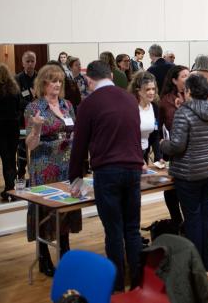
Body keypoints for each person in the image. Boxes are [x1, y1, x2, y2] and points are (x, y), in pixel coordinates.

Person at [69, 60, 144, 291]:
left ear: (89, 80)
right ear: (111, 74)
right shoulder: (130, 98)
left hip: (108, 171)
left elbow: (79, 144)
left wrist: (75, 177)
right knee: (132, 229)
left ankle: (118, 283)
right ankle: (139, 282)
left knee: (113, 231)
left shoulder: (89, 104)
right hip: (133, 169)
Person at [24, 64, 82, 277]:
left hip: (67, 163)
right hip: (45, 163)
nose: (57, 84)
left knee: (65, 208)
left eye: (59, 81)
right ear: (43, 83)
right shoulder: (34, 108)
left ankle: (65, 253)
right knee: (45, 211)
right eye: (52, 81)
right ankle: (43, 257)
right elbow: (30, 145)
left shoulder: (67, 105)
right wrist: (37, 127)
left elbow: (72, 130)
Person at [160, 73, 208, 271]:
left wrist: (163, 144)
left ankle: (195, 265)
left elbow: (177, 146)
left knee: (193, 218)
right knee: (206, 215)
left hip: (189, 173)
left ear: (189, 92)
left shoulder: (183, 113)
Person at [158, 65, 189, 226]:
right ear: (174, 80)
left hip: (189, 150)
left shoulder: (190, 96)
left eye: (188, 75)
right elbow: (172, 124)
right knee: (172, 189)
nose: (187, 78)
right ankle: (178, 221)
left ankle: (186, 222)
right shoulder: (167, 100)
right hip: (173, 149)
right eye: (184, 76)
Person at [0, 64, 21, 200]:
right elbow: (19, 107)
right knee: (11, 157)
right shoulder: (14, 88)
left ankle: (9, 188)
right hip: (13, 125)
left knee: (5, 158)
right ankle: (11, 186)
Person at [127, 71, 158, 165]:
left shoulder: (155, 107)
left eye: (153, 89)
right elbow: (127, 136)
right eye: (147, 89)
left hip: (144, 152)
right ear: (138, 90)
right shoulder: (131, 108)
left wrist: (158, 157)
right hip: (129, 154)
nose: (152, 92)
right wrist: (137, 157)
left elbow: (155, 134)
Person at [16, 51, 37, 180]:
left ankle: (35, 172)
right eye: (27, 61)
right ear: (23, 63)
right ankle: (21, 173)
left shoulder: (40, 77)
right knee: (22, 147)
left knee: (37, 145)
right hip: (22, 118)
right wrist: (31, 104)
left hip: (39, 118)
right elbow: (17, 99)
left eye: (32, 61)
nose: (30, 64)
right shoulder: (17, 79)